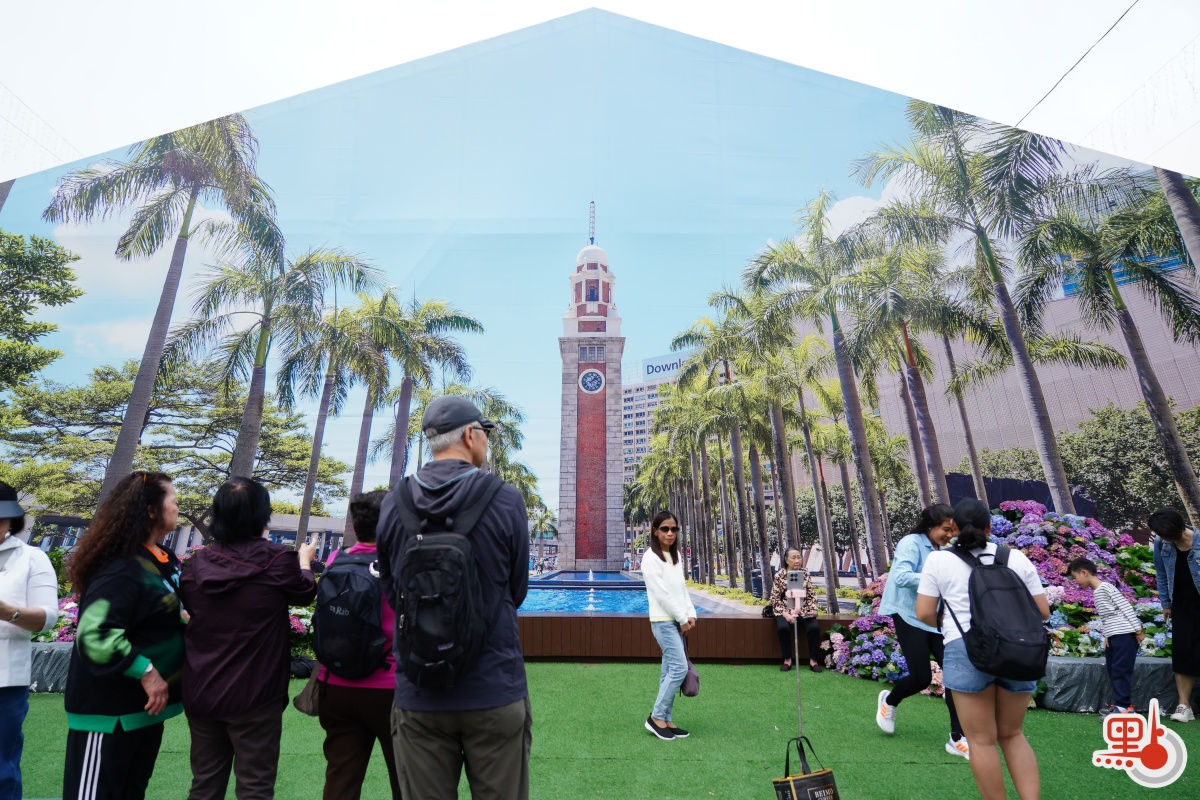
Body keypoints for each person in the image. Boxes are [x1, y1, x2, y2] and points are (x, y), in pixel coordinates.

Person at [376, 395, 531, 799]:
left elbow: (392, 590)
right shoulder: (505, 498)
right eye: (485, 433)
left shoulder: (394, 502)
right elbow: (516, 590)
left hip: (419, 690)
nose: (486, 441)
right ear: (469, 435)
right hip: (492, 685)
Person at [178, 477, 318, 799]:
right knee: (255, 787)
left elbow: (191, 606)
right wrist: (304, 561)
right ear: (262, 516)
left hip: (202, 688)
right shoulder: (277, 560)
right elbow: (305, 591)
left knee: (204, 785)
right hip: (256, 693)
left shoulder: (196, 564)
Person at [62, 471, 186, 800]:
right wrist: (146, 672)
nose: (178, 508)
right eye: (173, 501)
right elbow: (96, 634)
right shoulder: (121, 567)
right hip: (109, 713)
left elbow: (157, 614)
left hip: (142, 712)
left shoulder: (162, 559)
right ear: (151, 511)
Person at [916, 499, 1049, 800]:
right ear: (990, 527)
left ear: (953, 527)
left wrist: (948, 623)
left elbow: (923, 613)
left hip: (965, 648)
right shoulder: (1015, 558)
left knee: (981, 741)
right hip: (1017, 650)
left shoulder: (939, 560)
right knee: (1013, 734)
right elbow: (1042, 612)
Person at [316, 490, 401, 800]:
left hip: (335, 685)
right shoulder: (400, 565)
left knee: (341, 778)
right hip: (388, 687)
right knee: (406, 778)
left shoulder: (336, 560)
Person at [876, 504, 967, 759]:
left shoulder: (945, 549)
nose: (950, 535)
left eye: (953, 530)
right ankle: (889, 701)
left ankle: (958, 737)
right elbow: (901, 577)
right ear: (930, 526)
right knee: (921, 678)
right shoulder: (911, 543)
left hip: (938, 619)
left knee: (954, 676)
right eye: (946, 529)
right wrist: (935, 578)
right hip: (908, 615)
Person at [0, 482, 58, 800]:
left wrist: (8, 611)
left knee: (2, 770)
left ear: (12, 520)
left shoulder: (32, 558)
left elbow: (47, 618)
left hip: (5, 682)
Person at [641, 510, 697, 740]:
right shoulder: (650, 558)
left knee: (668, 672)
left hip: (677, 619)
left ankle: (666, 718)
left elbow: (681, 589)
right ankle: (655, 717)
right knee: (679, 668)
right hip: (663, 621)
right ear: (655, 531)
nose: (670, 533)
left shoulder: (675, 556)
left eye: (674, 529)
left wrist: (691, 613)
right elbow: (661, 594)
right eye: (665, 528)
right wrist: (682, 618)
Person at [1067, 557, 1144, 715]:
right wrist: (1108, 636)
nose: (1076, 582)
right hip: (1115, 635)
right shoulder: (1098, 591)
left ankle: (1123, 707)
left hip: (1124, 634)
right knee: (1113, 669)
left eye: (1075, 577)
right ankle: (1121, 704)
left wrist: (1138, 630)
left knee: (1121, 670)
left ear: (1084, 572)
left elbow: (1125, 607)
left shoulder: (1105, 588)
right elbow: (1108, 617)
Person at [1149, 508, 1200, 723]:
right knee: (1182, 652)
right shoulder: (1161, 544)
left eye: (1166, 534)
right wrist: (1166, 604)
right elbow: (1161, 574)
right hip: (1181, 604)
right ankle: (1184, 706)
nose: (1163, 538)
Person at [769, 548, 822, 673]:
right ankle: (787, 660)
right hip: (784, 609)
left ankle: (813, 661)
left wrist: (814, 609)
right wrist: (786, 614)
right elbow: (774, 598)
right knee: (783, 628)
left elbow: (811, 594)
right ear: (787, 560)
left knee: (814, 627)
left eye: (799, 557)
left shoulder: (805, 573)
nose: (797, 560)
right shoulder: (779, 575)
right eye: (793, 558)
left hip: (803, 608)